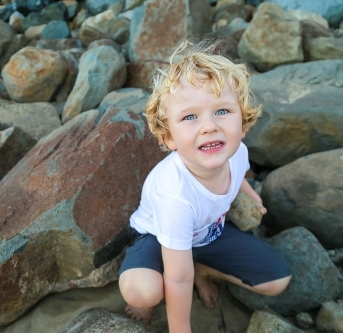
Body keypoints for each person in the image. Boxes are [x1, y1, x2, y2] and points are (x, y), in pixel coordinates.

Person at [118, 39, 292, 333]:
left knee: (277, 281)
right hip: (159, 237)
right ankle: (157, 278)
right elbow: (178, 278)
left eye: (222, 111)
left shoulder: (237, 152)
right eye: (189, 117)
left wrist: (249, 195)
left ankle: (203, 269)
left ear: (243, 122)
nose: (209, 126)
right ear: (168, 138)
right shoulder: (174, 196)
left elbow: (239, 175)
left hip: (208, 234)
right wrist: (181, 329)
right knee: (142, 291)